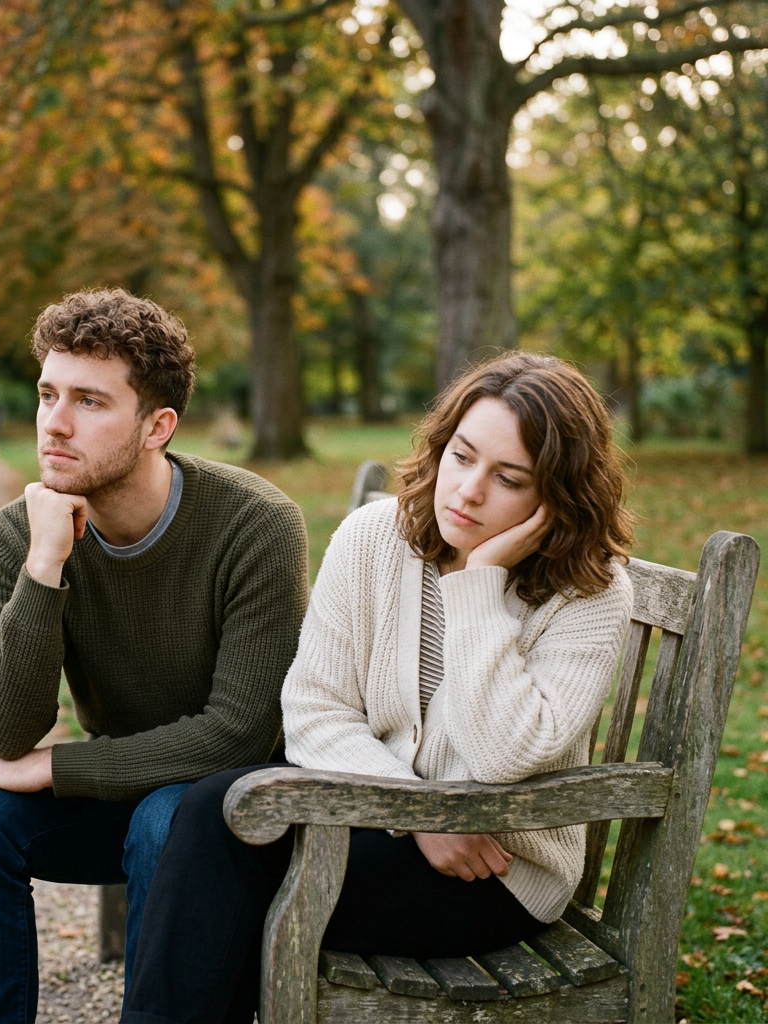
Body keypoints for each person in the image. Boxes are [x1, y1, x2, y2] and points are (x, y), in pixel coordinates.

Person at [123, 352, 636, 1024]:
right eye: (462, 456)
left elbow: (504, 757)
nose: (469, 491)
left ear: (556, 498)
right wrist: (417, 813)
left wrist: (479, 582)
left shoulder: (590, 594)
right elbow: (313, 709)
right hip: (383, 823)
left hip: (495, 872)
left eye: (508, 478)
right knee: (219, 812)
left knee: (224, 870)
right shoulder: (375, 538)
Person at [0, 288, 307, 1024]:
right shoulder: (18, 536)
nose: (55, 423)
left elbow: (237, 735)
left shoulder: (256, 526)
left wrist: (52, 766)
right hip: (123, 793)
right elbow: (5, 732)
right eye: (47, 394)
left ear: (156, 426)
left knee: (166, 821)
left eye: (90, 402)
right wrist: (45, 566)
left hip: (235, 813)